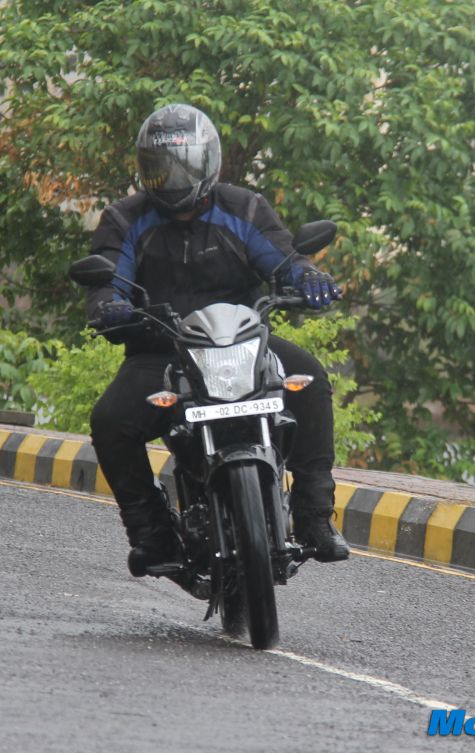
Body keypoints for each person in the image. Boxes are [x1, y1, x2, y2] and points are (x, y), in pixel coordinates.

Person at [86, 103, 350, 581]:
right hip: (162, 352)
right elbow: (108, 279)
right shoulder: (124, 219)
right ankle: (150, 532)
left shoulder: (243, 208)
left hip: (243, 345)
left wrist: (309, 278)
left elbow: (285, 258)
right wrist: (109, 306)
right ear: (145, 168)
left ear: (209, 161)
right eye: (162, 167)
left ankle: (314, 516)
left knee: (310, 380)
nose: (174, 178)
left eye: (184, 165)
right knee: (109, 421)